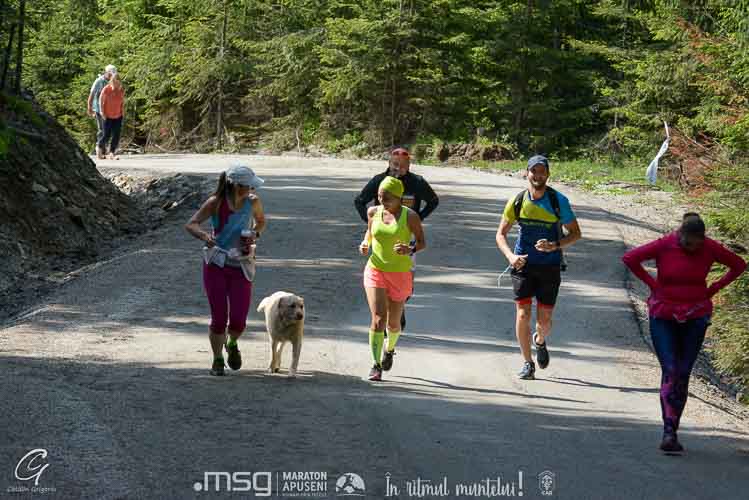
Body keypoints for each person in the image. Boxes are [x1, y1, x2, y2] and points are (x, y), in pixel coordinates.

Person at [622, 213, 746, 454]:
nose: (692, 248)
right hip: (664, 314)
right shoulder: (665, 244)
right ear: (680, 235)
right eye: (688, 243)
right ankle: (668, 432)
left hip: (696, 315)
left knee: (684, 371)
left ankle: (673, 430)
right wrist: (653, 284)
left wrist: (714, 288)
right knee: (671, 369)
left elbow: (739, 265)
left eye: (697, 244)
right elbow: (630, 258)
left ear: (703, 238)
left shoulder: (710, 247)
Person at [495, 155, 582, 380]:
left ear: (548, 174)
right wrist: (511, 256)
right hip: (522, 265)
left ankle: (540, 340)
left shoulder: (558, 201)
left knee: (543, 321)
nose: (538, 175)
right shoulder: (517, 201)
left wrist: (554, 245)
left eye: (542, 171)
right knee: (523, 314)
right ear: (527, 173)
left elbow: (576, 233)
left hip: (549, 267)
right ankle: (527, 363)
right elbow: (500, 234)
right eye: (534, 171)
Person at [185, 165, 267, 376]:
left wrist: (254, 234)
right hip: (216, 264)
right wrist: (205, 236)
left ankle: (231, 343)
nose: (251, 189)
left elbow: (261, 222)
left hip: (242, 264)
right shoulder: (216, 202)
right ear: (236, 185)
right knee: (219, 318)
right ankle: (217, 359)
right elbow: (192, 224)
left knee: (239, 320)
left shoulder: (253, 202)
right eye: (248, 186)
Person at [354, 147, 439, 330]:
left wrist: (418, 218)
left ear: (409, 165)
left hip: (406, 237)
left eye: (402, 165)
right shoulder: (379, 181)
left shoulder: (417, 182)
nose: (398, 168)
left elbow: (433, 201)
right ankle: (387, 314)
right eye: (395, 164)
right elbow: (359, 201)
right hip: (382, 234)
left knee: (406, 282)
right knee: (380, 276)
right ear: (389, 163)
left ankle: (397, 308)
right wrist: (371, 223)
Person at [359, 176, 426, 381]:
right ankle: (376, 365)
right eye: (380, 197)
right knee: (378, 318)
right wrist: (365, 243)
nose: (382, 201)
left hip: (400, 274)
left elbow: (422, 242)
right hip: (375, 269)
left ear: (399, 198)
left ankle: (389, 350)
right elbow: (369, 233)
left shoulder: (410, 216)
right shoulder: (373, 212)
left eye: (387, 198)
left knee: (394, 324)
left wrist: (410, 249)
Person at [87, 64, 116, 159]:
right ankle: (99, 150)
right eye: (110, 74)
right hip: (99, 109)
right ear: (106, 72)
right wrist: (89, 107)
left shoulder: (113, 81)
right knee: (102, 129)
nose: (112, 76)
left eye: (113, 74)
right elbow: (92, 94)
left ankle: (104, 151)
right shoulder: (99, 81)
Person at [98, 73, 125, 160]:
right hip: (107, 115)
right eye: (115, 81)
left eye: (118, 82)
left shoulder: (121, 89)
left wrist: (122, 112)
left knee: (116, 135)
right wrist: (102, 112)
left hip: (118, 115)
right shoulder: (106, 89)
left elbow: (122, 101)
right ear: (112, 81)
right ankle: (99, 147)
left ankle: (111, 153)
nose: (117, 83)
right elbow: (100, 100)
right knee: (106, 135)